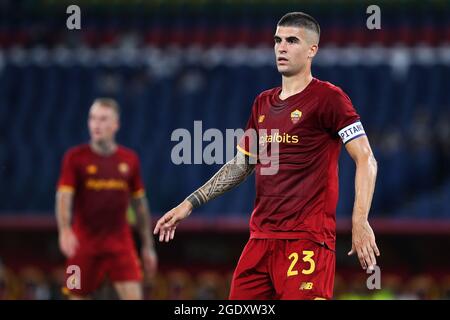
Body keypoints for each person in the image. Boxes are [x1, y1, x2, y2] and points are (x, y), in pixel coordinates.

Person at [154, 12, 379, 300]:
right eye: (277, 40)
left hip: (306, 242)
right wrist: (190, 203)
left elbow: (365, 158)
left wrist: (360, 221)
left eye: (292, 41)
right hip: (259, 242)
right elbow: (243, 163)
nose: (281, 48)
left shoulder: (329, 99)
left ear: (313, 50)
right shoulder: (263, 102)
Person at [56, 98, 157, 299]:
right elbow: (64, 197)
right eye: (92, 118)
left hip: (121, 246)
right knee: (74, 295)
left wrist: (148, 246)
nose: (96, 124)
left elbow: (140, 206)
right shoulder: (75, 158)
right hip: (82, 245)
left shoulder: (130, 159)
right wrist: (65, 229)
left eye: (103, 119)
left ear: (115, 125)